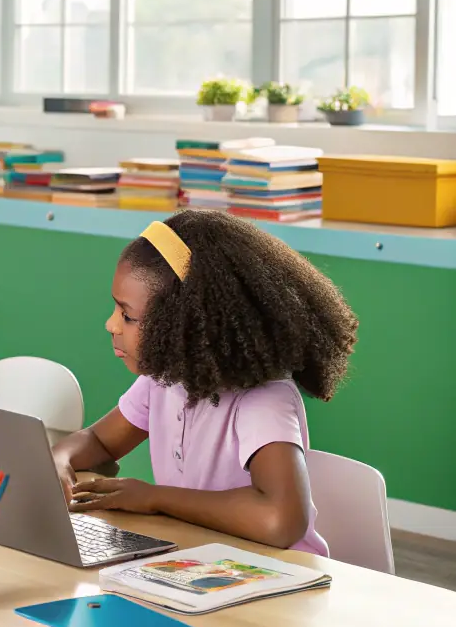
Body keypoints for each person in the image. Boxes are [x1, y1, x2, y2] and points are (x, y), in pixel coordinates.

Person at [51, 210, 358, 553]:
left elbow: (281, 519)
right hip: (202, 562)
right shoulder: (164, 380)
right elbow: (99, 441)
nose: (112, 325)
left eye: (128, 315)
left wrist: (154, 497)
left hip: (280, 577)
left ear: (185, 323)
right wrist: (59, 459)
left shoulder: (263, 399)